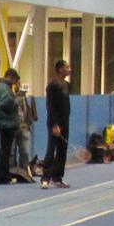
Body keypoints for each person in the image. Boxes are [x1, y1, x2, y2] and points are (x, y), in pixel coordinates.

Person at [0, 69, 28, 183]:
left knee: (5, 150)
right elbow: (6, 103)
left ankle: (2, 174)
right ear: (11, 77)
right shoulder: (6, 89)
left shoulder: (0, 87)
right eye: (15, 80)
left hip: (2, 122)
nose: (16, 83)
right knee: (5, 150)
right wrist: (17, 100)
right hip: (6, 123)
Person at [43, 59, 72, 187]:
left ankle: (57, 178)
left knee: (62, 151)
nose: (69, 69)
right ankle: (45, 178)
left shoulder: (66, 85)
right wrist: (55, 124)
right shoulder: (52, 85)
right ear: (60, 69)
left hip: (65, 122)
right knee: (51, 149)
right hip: (54, 123)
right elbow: (50, 106)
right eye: (67, 67)